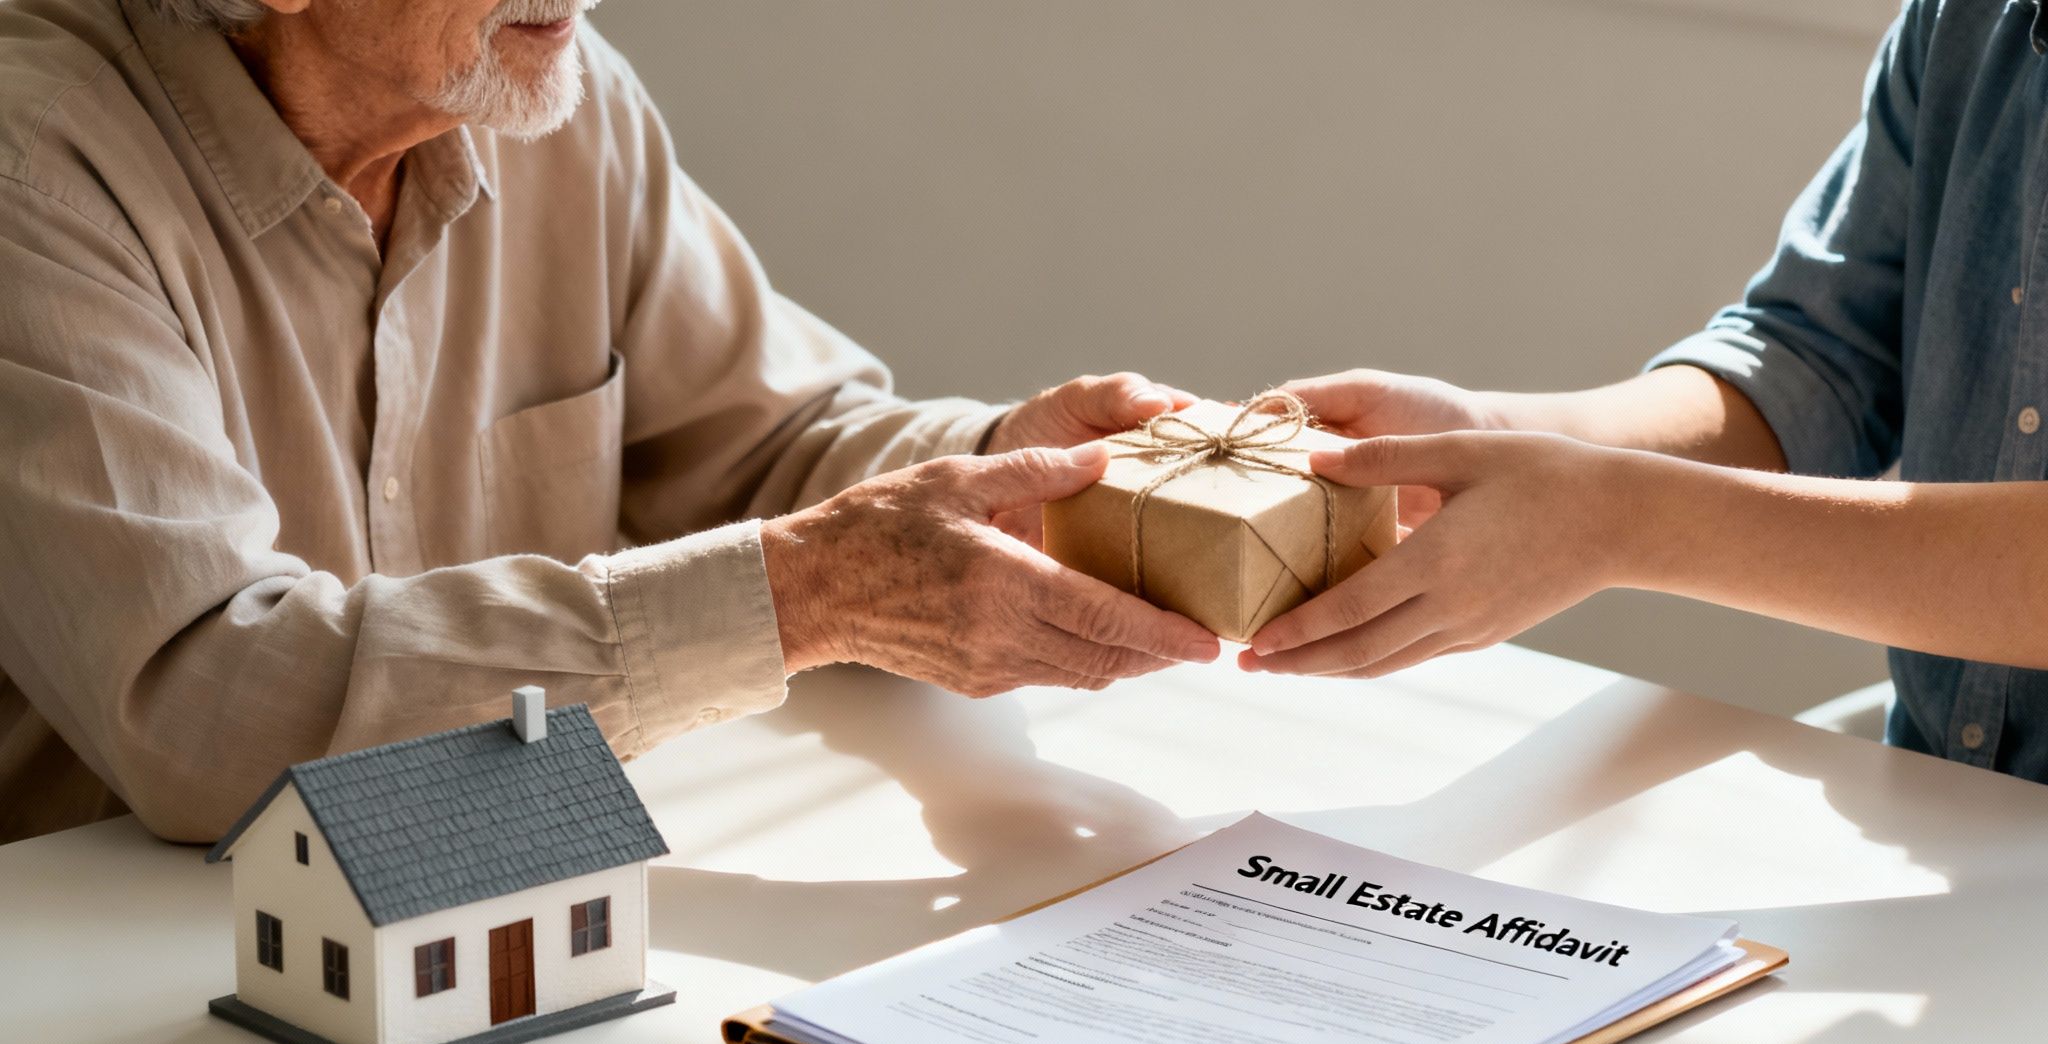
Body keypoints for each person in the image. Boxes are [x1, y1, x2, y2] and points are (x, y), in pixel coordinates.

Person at [0, 0, 1220, 844]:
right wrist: (801, 594)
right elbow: (208, 701)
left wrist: (1010, 468)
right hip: (114, 1001)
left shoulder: (551, 99)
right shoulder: (35, 172)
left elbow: (768, 450)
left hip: (494, 912)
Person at [1245, 0, 2048, 783]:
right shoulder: (1967, 21)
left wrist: (1617, 519)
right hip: (1936, 805)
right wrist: (1495, 437)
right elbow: (1817, 359)